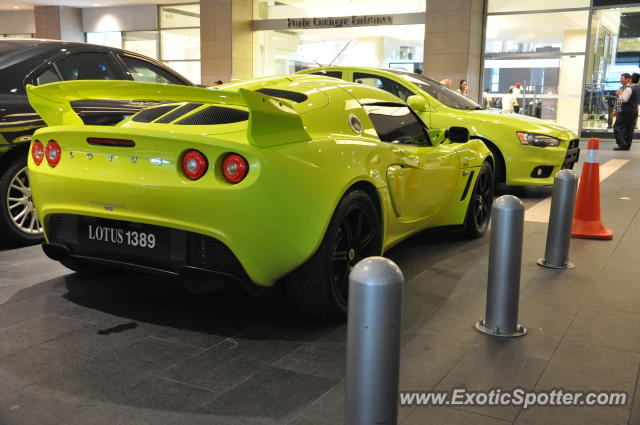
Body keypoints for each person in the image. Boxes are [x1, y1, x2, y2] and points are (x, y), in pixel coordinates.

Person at [613, 73, 637, 151]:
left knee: (617, 127)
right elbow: (619, 101)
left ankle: (623, 144)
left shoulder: (629, 88)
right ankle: (626, 146)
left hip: (626, 110)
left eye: (622, 78)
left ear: (628, 79)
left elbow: (624, 99)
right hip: (629, 110)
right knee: (628, 129)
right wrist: (615, 110)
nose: (620, 80)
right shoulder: (622, 88)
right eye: (620, 78)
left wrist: (620, 95)